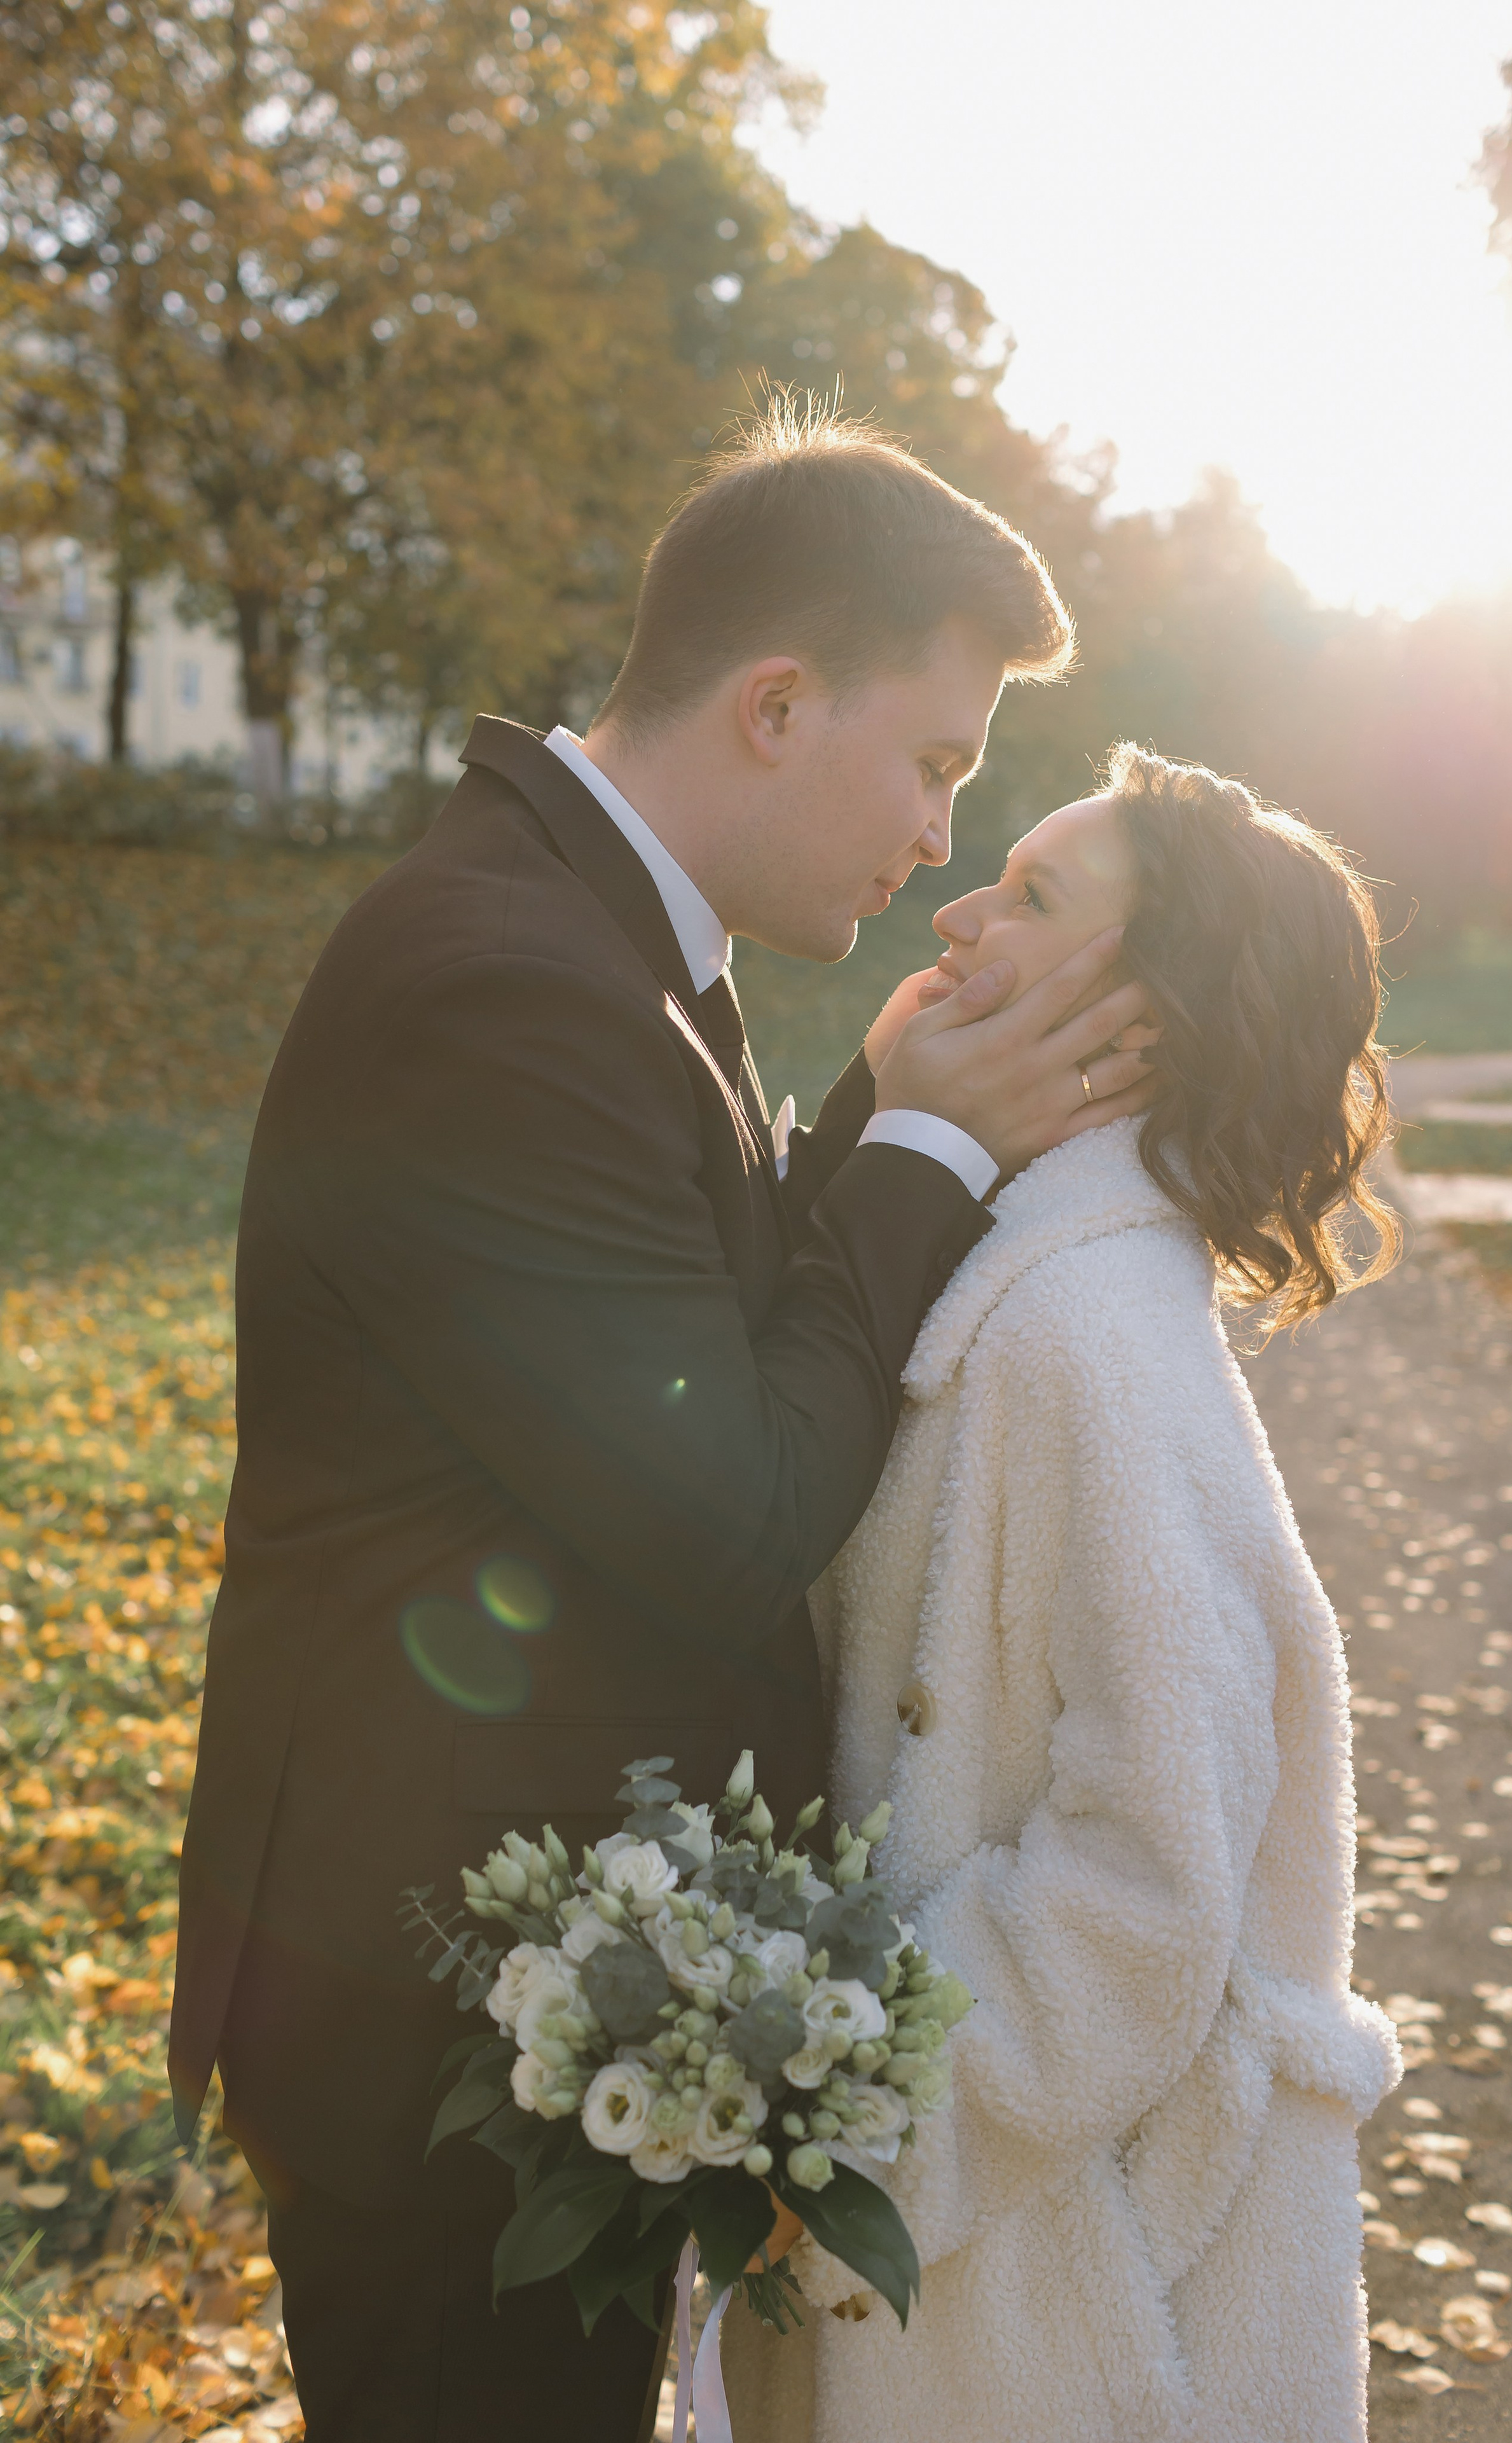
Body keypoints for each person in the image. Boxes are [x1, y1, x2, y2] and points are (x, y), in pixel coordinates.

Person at [167, 408, 1160, 2442]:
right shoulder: (503, 982)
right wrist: (934, 1151)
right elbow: (730, 1501)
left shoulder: (603, 944)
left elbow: (670, 1332)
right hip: (428, 2026)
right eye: (939, 760)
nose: (942, 840)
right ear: (780, 704)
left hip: (520, 1989)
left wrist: (881, 1107)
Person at [728, 744, 1406, 2443]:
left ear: (1152, 1017)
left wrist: (849, 2117)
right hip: (989, 2253)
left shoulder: (1086, 1337)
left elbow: (1151, 1875)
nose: (956, 908)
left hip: (1068, 2298)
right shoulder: (1015, 1272)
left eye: (1032, 895)